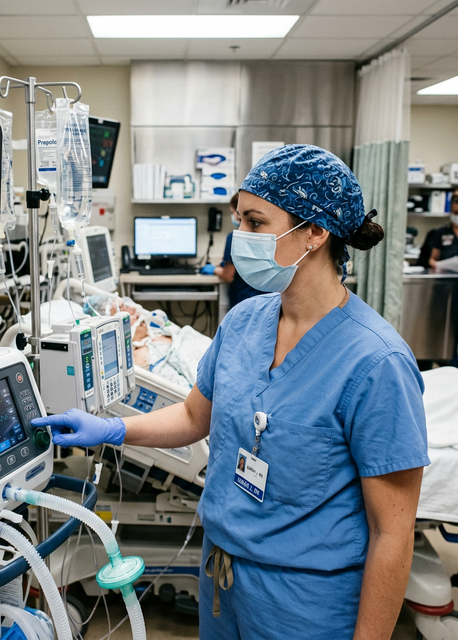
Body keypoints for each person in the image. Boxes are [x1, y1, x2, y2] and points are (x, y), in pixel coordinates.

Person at [33, 145, 429, 640]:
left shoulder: (376, 363)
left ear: (315, 232)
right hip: (221, 576)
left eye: (256, 223)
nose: (240, 237)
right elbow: (193, 418)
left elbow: (392, 533)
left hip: (305, 603)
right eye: (239, 220)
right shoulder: (244, 321)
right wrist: (112, 429)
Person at [200, 192, 263, 308]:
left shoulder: (234, 237)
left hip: (243, 301)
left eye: (232, 212)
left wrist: (214, 270)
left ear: (238, 212)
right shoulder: (265, 235)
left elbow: (228, 275)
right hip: (266, 301)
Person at [428, 188, 458, 268]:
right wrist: (436, 265)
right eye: (456, 213)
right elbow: (432, 259)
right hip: (445, 273)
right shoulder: (442, 232)